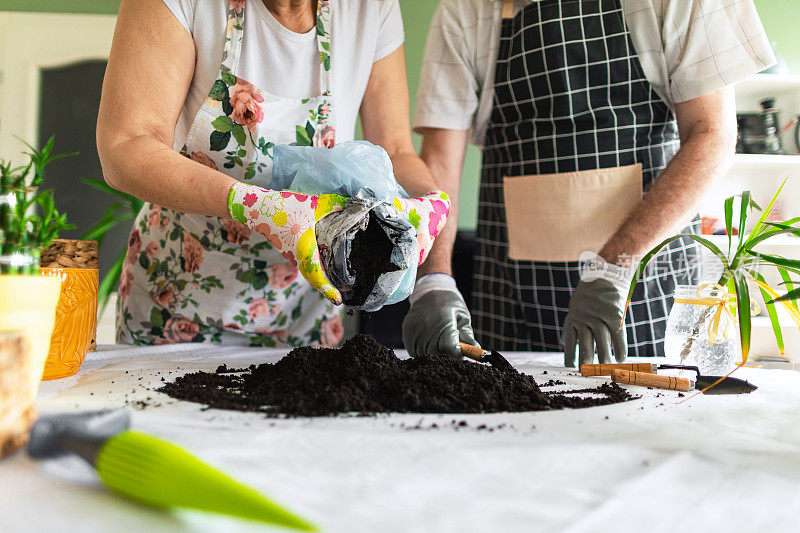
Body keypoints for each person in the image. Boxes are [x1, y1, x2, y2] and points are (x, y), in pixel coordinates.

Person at [403, 0, 775, 364]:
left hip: (641, 286)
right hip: (513, 298)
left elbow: (712, 135)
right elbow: (439, 163)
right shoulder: (465, 11)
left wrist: (614, 266)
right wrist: (433, 278)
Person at [97, 0, 449, 347]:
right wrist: (251, 204)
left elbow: (396, 152)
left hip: (305, 316)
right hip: (176, 305)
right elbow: (126, 144)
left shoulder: (371, 7)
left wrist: (432, 211)